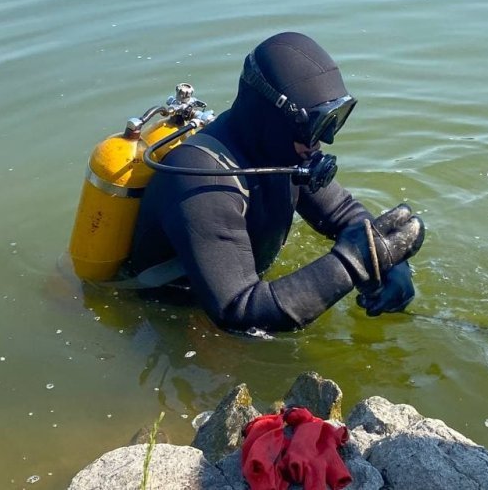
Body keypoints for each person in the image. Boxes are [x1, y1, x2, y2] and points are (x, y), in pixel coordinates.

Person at [127, 31, 426, 333]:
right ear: (271, 118)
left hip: (235, 290)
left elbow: (345, 215)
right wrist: (354, 262)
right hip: (173, 314)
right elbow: (239, 312)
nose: (324, 140)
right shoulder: (201, 180)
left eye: (333, 120)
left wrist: (389, 260)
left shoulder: (280, 148)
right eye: (314, 125)